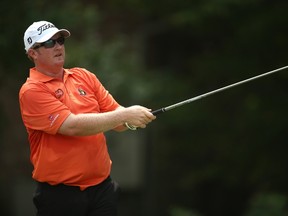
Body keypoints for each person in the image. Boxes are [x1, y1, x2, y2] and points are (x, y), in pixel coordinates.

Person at [19, 20, 156, 216]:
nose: (58, 46)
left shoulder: (84, 76)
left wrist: (132, 119)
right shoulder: (31, 91)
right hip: (60, 196)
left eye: (59, 40)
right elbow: (72, 126)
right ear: (33, 53)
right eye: (49, 43)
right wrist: (126, 114)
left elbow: (117, 120)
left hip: (102, 189)